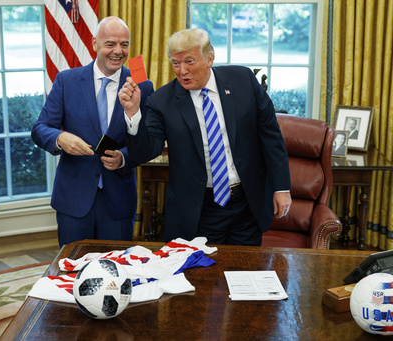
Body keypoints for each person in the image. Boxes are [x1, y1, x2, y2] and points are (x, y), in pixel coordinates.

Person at [118, 28, 292, 246]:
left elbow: (270, 135)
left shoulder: (243, 81)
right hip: (199, 209)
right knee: (199, 277)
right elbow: (146, 151)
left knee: (243, 273)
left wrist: (281, 187)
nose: (182, 71)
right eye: (176, 63)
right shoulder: (161, 101)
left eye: (189, 61)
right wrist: (133, 113)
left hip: (247, 202)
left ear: (210, 58)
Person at [32, 17, 154, 247]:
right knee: (71, 273)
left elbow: (148, 143)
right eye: (110, 44)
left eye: (124, 44)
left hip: (118, 198)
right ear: (94, 43)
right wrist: (59, 138)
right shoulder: (67, 81)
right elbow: (40, 129)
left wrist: (124, 157)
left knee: (117, 272)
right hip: (73, 198)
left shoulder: (142, 85)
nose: (118, 51)